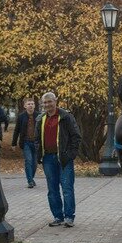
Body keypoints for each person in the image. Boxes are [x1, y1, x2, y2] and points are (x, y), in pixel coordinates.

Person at [36, 92, 82, 228]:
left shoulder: (65, 116)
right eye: (44, 102)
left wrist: (70, 155)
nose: (47, 105)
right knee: (52, 189)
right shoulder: (41, 118)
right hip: (48, 158)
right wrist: (39, 154)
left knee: (67, 188)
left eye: (49, 101)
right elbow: (37, 139)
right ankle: (58, 216)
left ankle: (69, 217)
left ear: (55, 101)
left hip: (63, 158)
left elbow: (76, 136)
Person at [12, 97, 38, 188]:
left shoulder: (38, 116)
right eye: (28, 104)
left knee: (35, 163)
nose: (30, 105)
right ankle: (30, 181)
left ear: (34, 105)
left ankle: (31, 178)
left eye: (32, 104)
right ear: (25, 106)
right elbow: (16, 130)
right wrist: (14, 143)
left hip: (36, 143)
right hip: (26, 142)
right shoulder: (21, 117)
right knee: (28, 161)